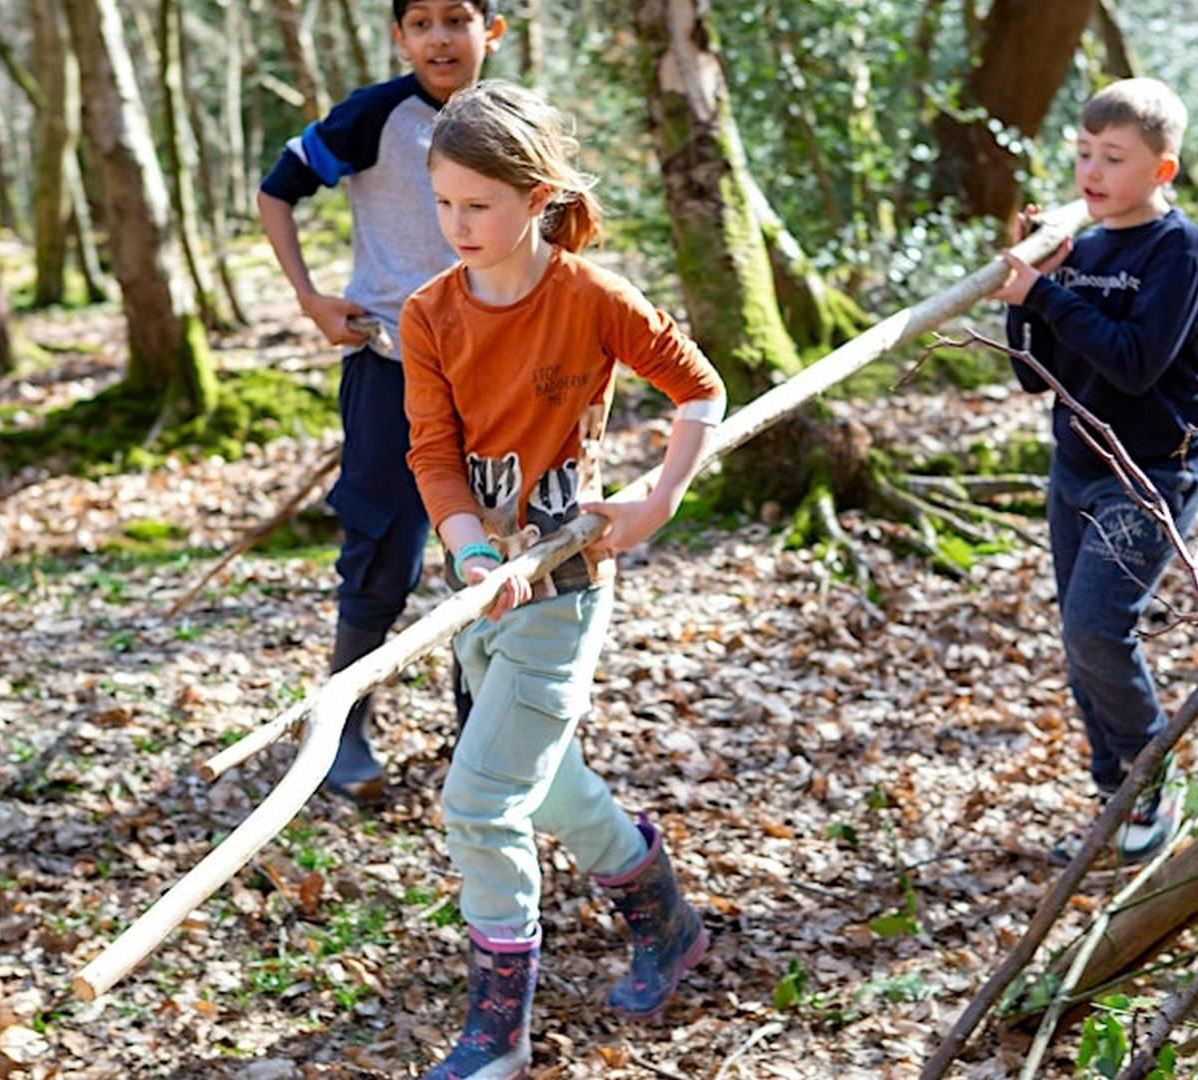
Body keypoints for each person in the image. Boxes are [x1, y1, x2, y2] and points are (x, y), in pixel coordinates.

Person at [398, 81, 726, 1079]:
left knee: (482, 800)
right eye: (445, 203)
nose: (459, 225)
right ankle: (664, 920)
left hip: (568, 582)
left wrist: (658, 500)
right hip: (480, 588)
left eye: (479, 206)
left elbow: (699, 390)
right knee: (547, 783)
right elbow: (433, 455)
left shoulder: (590, 298)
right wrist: (472, 552)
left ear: (536, 197)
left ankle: (498, 1034)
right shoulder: (428, 315)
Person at [256, 0, 507, 802]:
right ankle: (343, 730)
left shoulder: (513, 122)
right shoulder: (375, 115)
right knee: (382, 554)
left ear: (490, 32)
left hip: (500, 379)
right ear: (399, 37)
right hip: (392, 368)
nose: (440, 38)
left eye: (457, 19)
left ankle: (481, 735)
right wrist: (310, 299)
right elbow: (276, 191)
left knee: (493, 554)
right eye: (422, 22)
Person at [989, 77, 1198, 864]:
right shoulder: (1080, 249)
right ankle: (1118, 798)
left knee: (1097, 629)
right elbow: (1032, 374)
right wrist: (1027, 292)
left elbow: (1131, 364)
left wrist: (1048, 294)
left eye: (1114, 157)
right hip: (1076, 467)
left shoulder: (1175, 250)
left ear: (1162, 171)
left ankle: (1154, 780)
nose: (1092, 172)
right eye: (1085, 153)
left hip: (1152, 471)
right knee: (1078, 640)